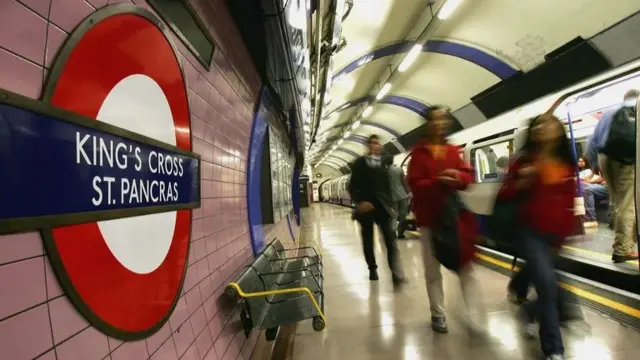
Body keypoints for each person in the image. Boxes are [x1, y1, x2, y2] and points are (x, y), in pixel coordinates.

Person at [498, 113, 577, 360]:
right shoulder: (522, 161)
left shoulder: (565, 162)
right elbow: (504, 196)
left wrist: (566, 234)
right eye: (538, 124)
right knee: (546, 286)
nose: (543, 127)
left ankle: (528, 311)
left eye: (549, 123)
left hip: (555, 234)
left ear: (558, 131)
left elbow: (569, 201)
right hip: (529, 231)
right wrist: (521, 182)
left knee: (549, 282)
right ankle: (554, 348)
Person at [407, 106, 481, 334]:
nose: (440, 123)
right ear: (428, 123)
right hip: (430, 218)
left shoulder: (452, 150)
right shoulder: (418, 153)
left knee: (466, 265)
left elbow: (468, 177)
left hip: (454, 217)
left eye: (443, 118)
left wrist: (458, 177)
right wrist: (438, 182)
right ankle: (437, 313)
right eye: (435, 119)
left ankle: (473, 314)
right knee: (432, 269)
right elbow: (414, 185)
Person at [587, 89, 638, 263]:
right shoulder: (635, 110)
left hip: (605, 158)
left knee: (618, 202)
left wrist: (594, 165)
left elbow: (591, 141)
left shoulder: (609, 113)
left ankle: (626, 242)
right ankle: (623, 249)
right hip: (626, 160)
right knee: (628, 204)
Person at [348, 134, 406, 284]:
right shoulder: (359, 163)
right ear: (368, 145)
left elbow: (387, 186)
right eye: (373, 143)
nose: (375, 146)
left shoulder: (383, 163)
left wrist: (391, 205)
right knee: (368, 241)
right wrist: (360, 202)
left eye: (377, 143)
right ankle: (372, 268)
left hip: (382, 207)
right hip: (366, 208)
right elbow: (352, 186)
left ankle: (396, 273)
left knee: (390, 240)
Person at [577, 155, 608, 228]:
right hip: (604, 185)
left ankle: (591, 220)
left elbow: (602, 179)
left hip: (609, 187)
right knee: (582, 186)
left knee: (587, 189)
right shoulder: (599, 164)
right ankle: (581, 218)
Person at [388, 162, 410, 239]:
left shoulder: (384, 171)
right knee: (403, 214)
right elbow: (404, 182)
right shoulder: (399, 169)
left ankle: (393, 232)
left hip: (392, 196)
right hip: (402, 195)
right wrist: (408, 191)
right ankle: (400, 233)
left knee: (394, 214)